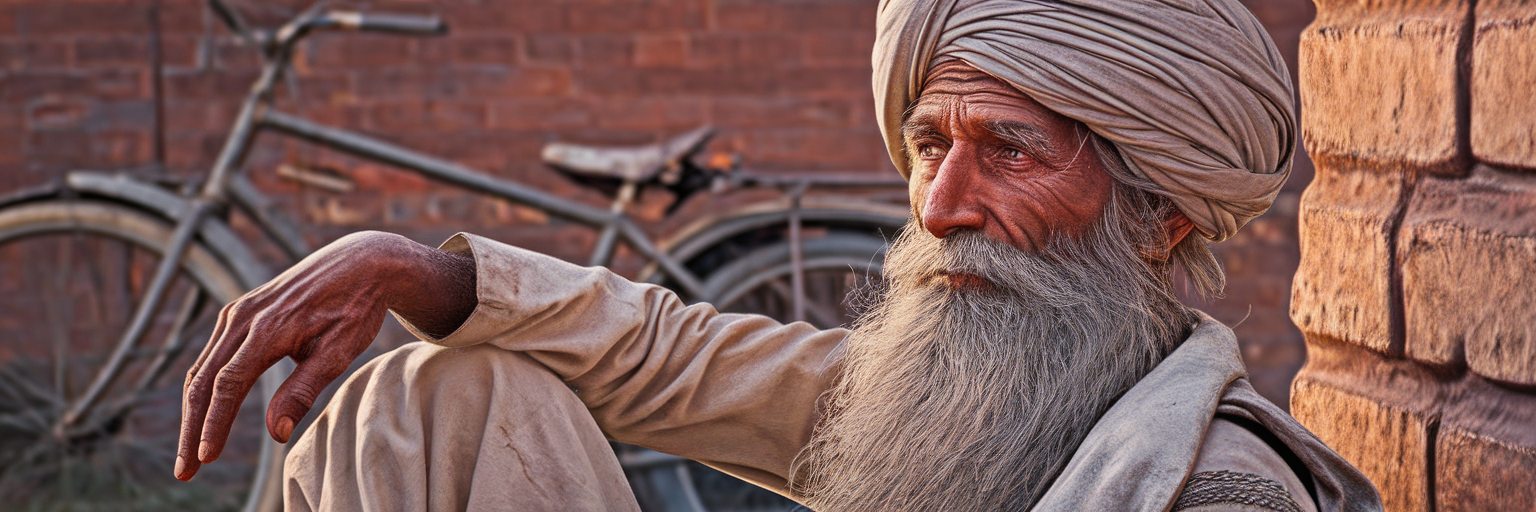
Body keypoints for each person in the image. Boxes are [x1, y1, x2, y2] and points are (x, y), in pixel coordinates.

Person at [176, 0, 1385, 510]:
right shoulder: (969, 391)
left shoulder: (1212, 483)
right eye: (928, 142)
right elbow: (667, 352)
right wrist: (408, 270)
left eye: (1009, 152)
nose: (942, 201)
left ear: (1159, 219)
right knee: (436, 398)